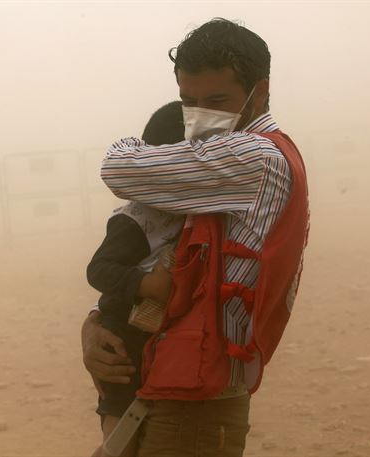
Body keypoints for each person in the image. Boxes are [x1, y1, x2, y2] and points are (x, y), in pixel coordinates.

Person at [82, 18, 309, 457]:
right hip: (168, 373)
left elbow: (117, 169)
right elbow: (170, 252)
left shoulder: (253, 156)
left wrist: (148, 147)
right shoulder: (214, 170)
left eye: (218, 100)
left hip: (199, 396)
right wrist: (96, 321)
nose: (200, 115)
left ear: (259, 92)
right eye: (188, 102)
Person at [86, 101, 186, 457]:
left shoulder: (188, 213)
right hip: (123, 337)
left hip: (155, 340)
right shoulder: (135, 220)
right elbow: (98, 269)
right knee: (120, 437)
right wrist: (148, 286)